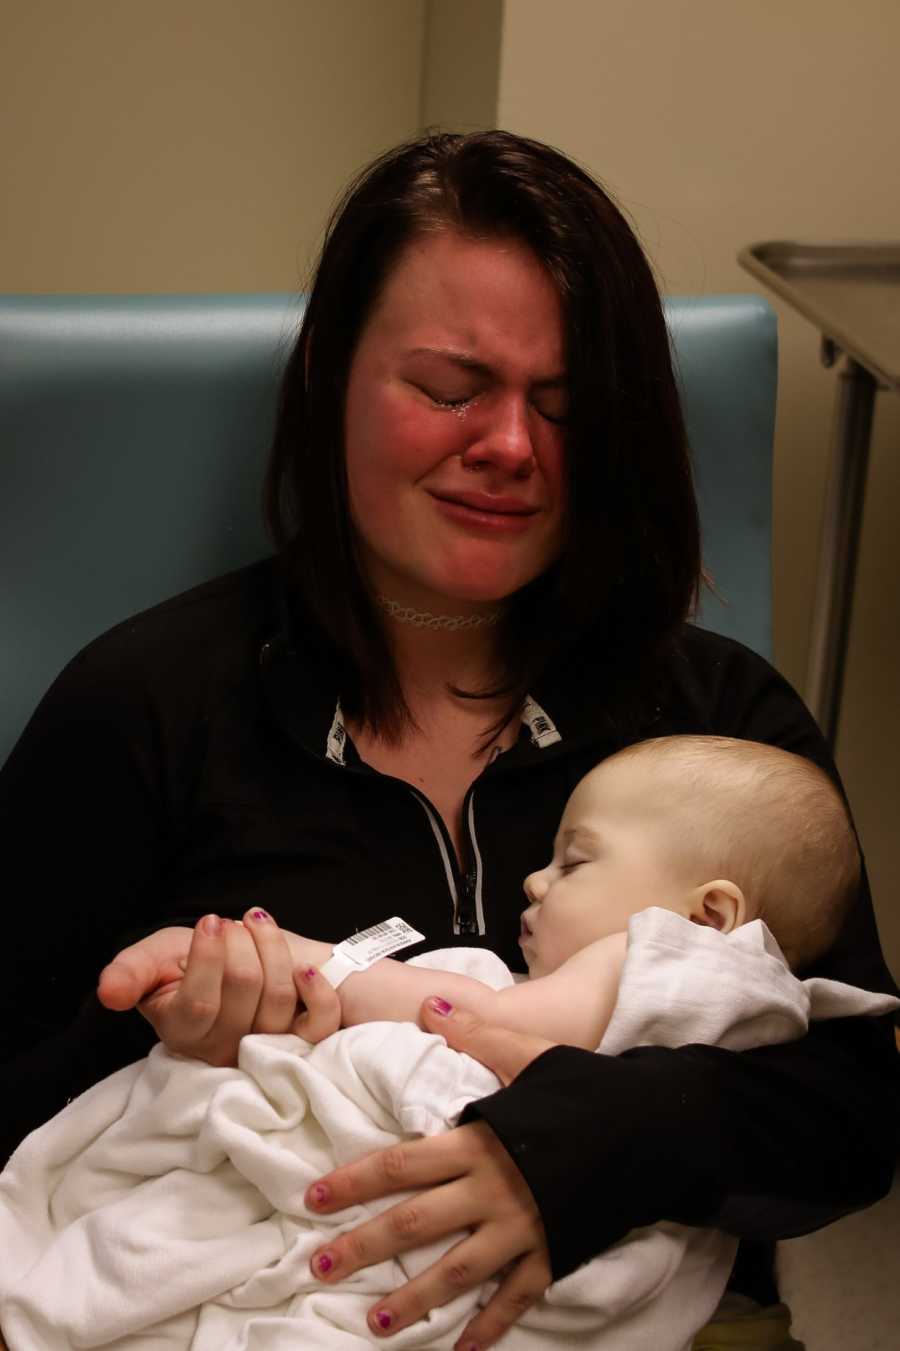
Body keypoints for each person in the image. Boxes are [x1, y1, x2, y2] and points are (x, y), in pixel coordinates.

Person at [0, 130, 897, 1351]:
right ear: (328, 376)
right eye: (448, 389)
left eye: (566, 405)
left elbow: (853, 1111)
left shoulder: (716, 724)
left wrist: (580, 1144)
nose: (513, 448)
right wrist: (169, 1033)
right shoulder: (150, 706)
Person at [2, 736, 894, 1349]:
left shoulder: (674, 958)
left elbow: (466, 1013)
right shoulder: (750, 999)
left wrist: (320, 966)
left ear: (712, 912)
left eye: (576, 861)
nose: (536, 880)